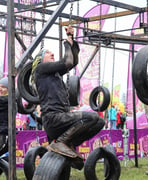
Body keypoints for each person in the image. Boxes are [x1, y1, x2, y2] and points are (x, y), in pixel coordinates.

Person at [31, 25, 105, 170]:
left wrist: (71, 38)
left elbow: (73, 61)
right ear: (40, 60)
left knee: (100, 122)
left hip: (63, 120)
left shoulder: (55, 75)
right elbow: (67, 62)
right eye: (48, 53)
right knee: (91, 118)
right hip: (53, 119)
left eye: (52, 52)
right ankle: (62, 143)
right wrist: (65, 43)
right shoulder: (40, 70)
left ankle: (67, 145)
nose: (52, 54)